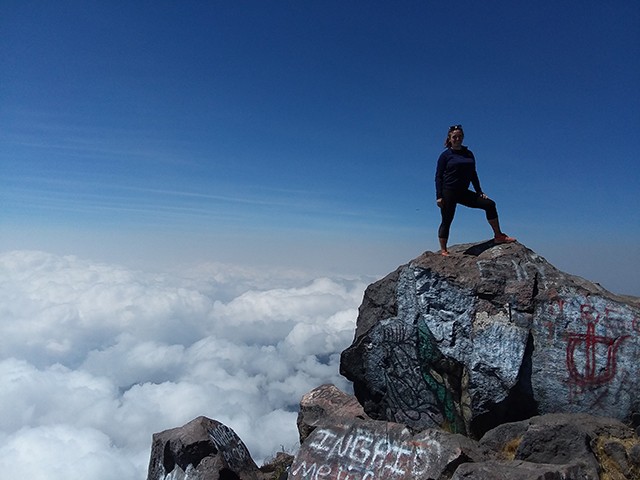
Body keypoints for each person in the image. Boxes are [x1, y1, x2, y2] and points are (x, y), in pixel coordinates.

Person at [435, 124, 515, 256]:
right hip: (448, 192)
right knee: (447, 219)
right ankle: (443, 250)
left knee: (490, 204)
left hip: (463, 192)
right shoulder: (445, 155)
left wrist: (479, 191)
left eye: (460, 136)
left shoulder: (468, 154)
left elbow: (473, 174)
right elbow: (438, 176)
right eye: (454, 137)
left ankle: (498, 235)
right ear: (449, 138)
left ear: (463, 137)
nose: (457, 139)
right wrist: (439, 196)